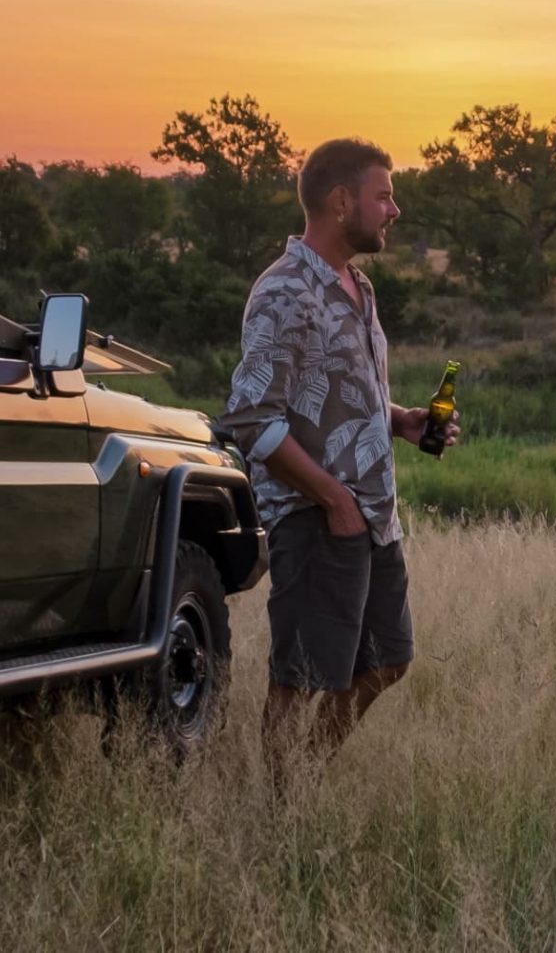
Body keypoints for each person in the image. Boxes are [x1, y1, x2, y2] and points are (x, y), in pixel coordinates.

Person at [219, 138, 456, 788]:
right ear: (340, 200)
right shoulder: (285, 292)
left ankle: (305, 776)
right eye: (383, 195)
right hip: (315, 518)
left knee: (388, 660)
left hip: (374, 515)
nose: (394, 209)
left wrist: (400, 419)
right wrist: (332, 498)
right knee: (299, 677)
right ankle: (278, 804)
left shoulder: (359, 286)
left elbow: (346, 392)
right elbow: (251, 419)